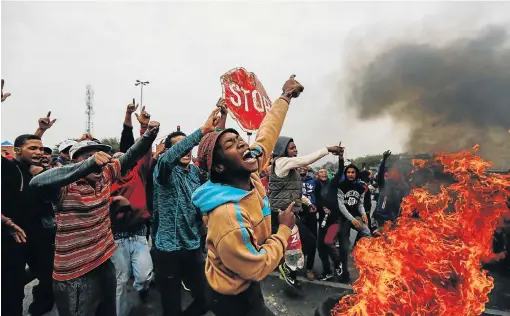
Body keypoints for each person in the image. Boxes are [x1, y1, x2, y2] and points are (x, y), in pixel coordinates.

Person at [192, 75, 303, 315]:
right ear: (219, 167)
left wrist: (285, 96)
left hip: (246, 282)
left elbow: (267, 134)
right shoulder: (228, 216)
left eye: (239, 139)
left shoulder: (248, 175)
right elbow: (259, 266)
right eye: (231, 144)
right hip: (232, 298)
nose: (243, 144)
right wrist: (283, 230)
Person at [29, 121, 159, 316]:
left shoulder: (105, 175)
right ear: (75, 162)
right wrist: (89, 164)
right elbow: (36, 182)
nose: (98, 161)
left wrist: (149, 134)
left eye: (98, 156)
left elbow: (132, 155)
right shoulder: (65, 187)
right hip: (75, 273)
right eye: (89, 156)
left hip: (104, 262)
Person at [152, 108, 222, 316]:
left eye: (188, 146)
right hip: (167, 250)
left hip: (192, 246)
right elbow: (165, 160)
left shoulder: (194, 172)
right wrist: (201, 131)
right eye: (180, 147)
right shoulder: (163, 171)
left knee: (206, 299)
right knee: (171, 307)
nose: (186, 151)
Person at [1, 114, 57, 316]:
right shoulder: (7, 168)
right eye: (33, 148)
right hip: (11, 236)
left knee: (50, 278)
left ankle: (38, 308)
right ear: (16, 151)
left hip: (38, 236)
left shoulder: (38, 171)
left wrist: (40, 131)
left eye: (41, 148)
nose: (39, 152)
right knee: (11, 293)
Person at [269, 136, 342, 286]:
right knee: (305, 243)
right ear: (282, 149)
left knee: (303, 244)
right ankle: (285, 267)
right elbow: (305, 161)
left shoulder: (289, 167)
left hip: (289, 213)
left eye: (295, 147)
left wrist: (308, 203)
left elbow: (294, 191)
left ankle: (287, 268)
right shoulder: (281, 162)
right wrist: (328, 149)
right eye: (291, 148)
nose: (295, 150)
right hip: (281, 214)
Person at [108, 103, 155, 316]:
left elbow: (144, 151)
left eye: (124, 157)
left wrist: (145, 128)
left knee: (144, 277)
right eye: (115, 159)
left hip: (138, 234)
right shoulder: (105, 181)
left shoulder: (139, 173)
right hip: (116, 237)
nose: (121, 161)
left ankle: (140, 291)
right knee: (120, 280)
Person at [336, 163, 371, 282]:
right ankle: (343, 270)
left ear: (356, 174)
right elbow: (341, 206)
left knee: (367, 232)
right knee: (344, 246)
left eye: (353, 172)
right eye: (348, 172)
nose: (350, 174)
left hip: (355, 216)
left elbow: (360, 204)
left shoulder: (360, 187)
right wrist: (352, 219)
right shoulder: (341, 186)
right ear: (345, 174)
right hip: (343, 218)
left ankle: (359, 253)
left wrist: (364, 214)